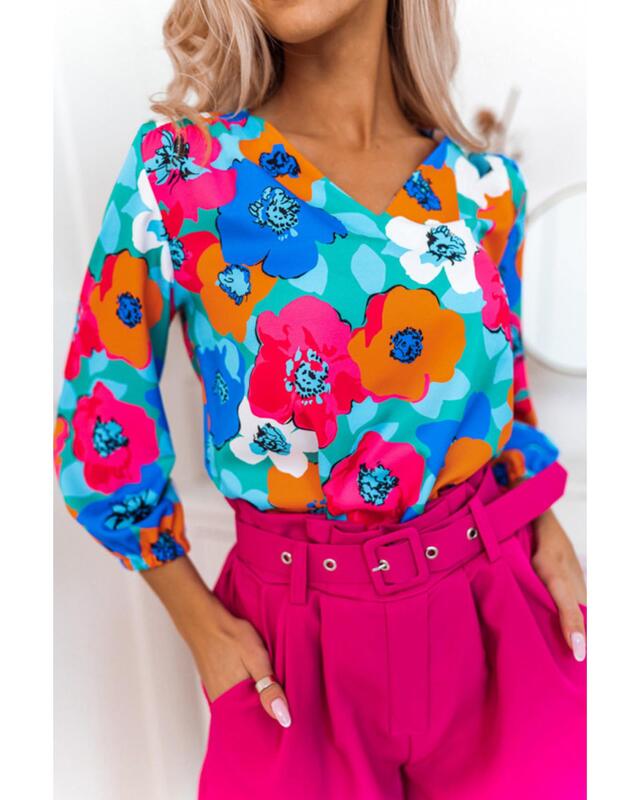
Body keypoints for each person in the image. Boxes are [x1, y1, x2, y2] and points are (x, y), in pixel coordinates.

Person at [54, 1, 587, 797]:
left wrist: (548, 527)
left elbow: (502, 397)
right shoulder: (181, 173)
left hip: (498, 609)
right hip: (291, 647)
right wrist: (201, 628)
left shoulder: (485, 189)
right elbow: (103, 414)